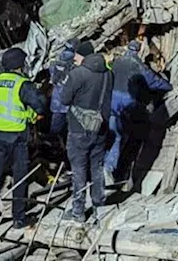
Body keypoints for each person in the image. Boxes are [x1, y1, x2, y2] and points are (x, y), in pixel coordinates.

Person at [0, 47, 45, 229]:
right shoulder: (22, 84)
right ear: (20, 64)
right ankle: (18, 218)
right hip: (17, 137)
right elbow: (40, 106)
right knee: (20, 177)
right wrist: (30, 115)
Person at [105, 40, 172, 186]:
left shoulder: (117, 62)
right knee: (120, 134)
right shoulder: (139, 65)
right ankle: (110, 168)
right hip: (126, 101)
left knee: (110, 130)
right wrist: (168, 86)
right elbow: (154, 82)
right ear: (139, 51)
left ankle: (103, 163)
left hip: (110, 98)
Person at [58, 40, 111, 222]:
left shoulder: (77, 74)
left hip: (78, 128)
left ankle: (78, 212)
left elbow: (64, 100)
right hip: (100, 127)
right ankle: (99, 208)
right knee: (96, 168)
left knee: (79, 169)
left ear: (82, 55)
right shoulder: (107, 74)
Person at [48, 39, 79, 136]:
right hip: (70, 101)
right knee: (71, 127)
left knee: (55, 125)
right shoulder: (74, 65)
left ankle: (52, 141)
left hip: (57, 99)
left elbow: (52, 77)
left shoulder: (54, 62)